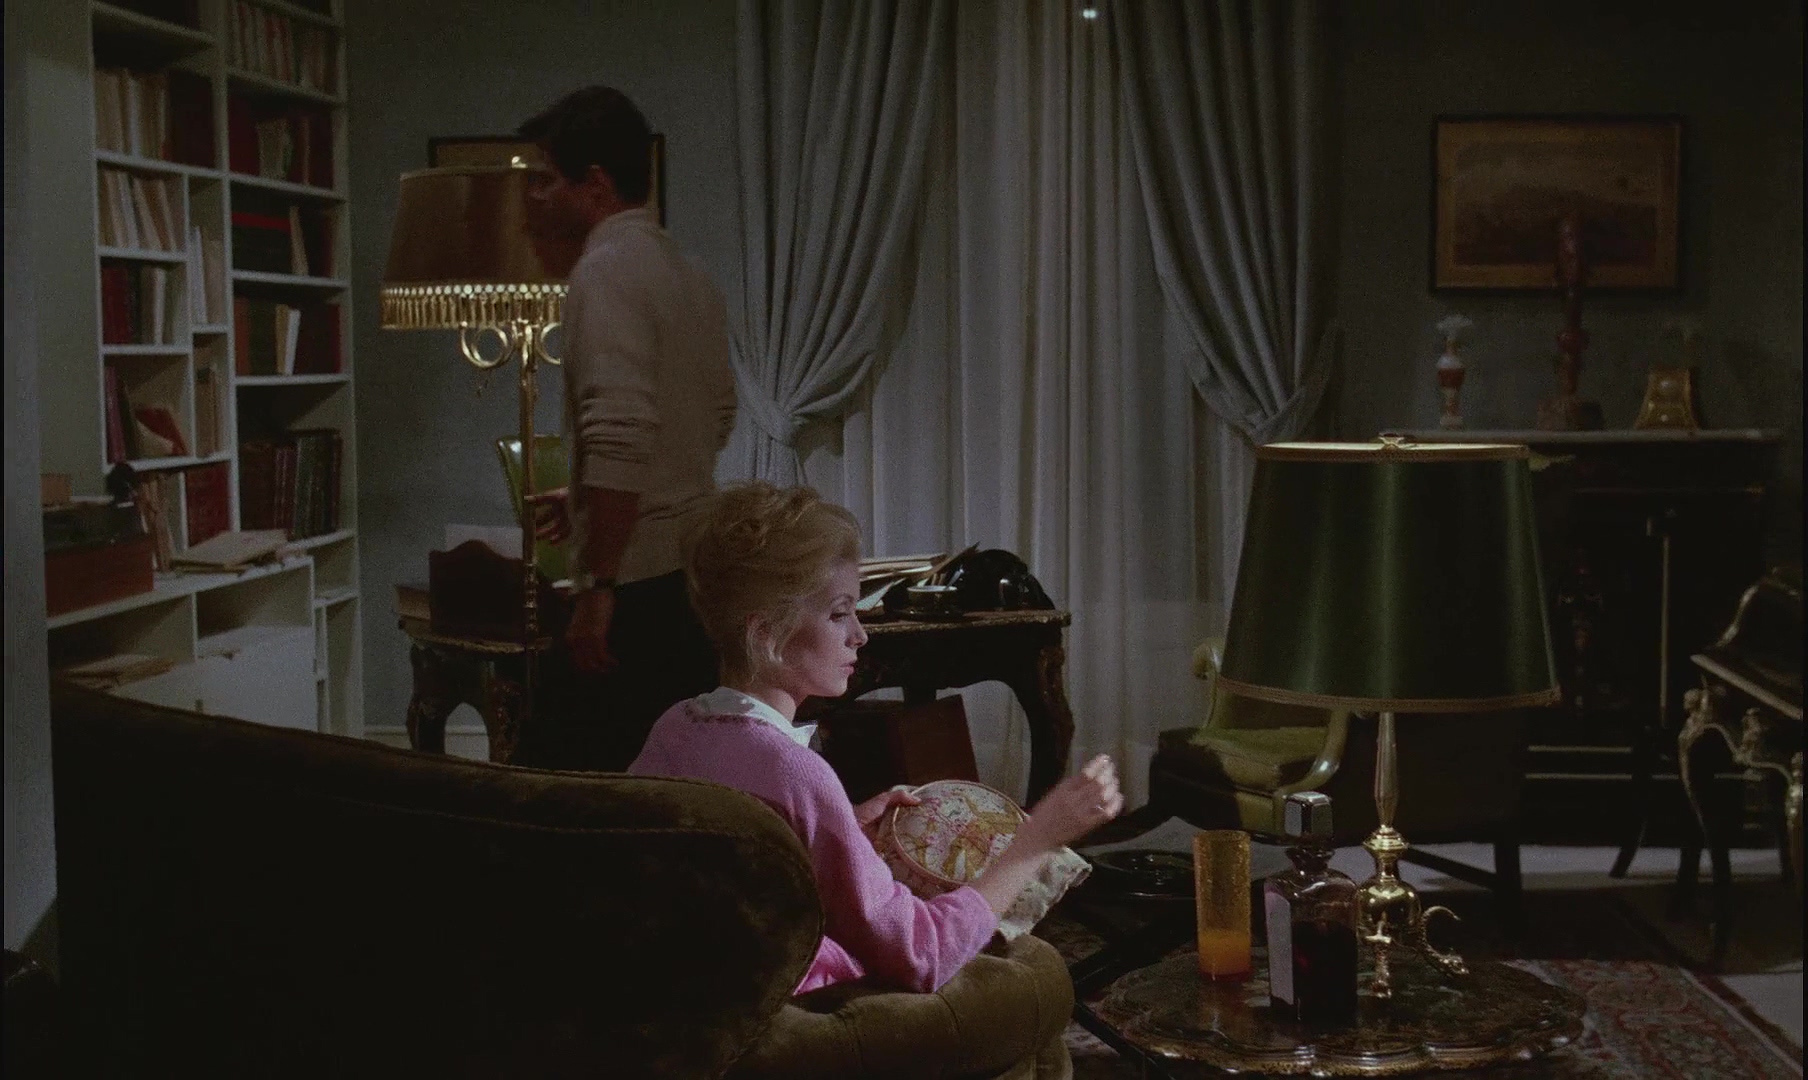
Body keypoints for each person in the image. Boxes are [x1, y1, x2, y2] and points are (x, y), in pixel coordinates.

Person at [630, 482, 1124, 993]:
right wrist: (1038, 839)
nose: (860, 635)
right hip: (779, 1002)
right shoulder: (795, 772)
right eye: (838, 613)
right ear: (766, 635)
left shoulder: (677, 725)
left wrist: (842, 824)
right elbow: (921, 955)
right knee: (1033, 973)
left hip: (678, 986)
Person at [515, 86, 739, 771]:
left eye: (546, 180)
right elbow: (714, 414)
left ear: (595, 185)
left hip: (638, 582)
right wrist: (587, 498)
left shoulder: (605, 271)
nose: (535, 197)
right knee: (666, 775)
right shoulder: (688, 273)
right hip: (690, 571)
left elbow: (620, 433)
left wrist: (599, 589)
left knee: (565, 783)